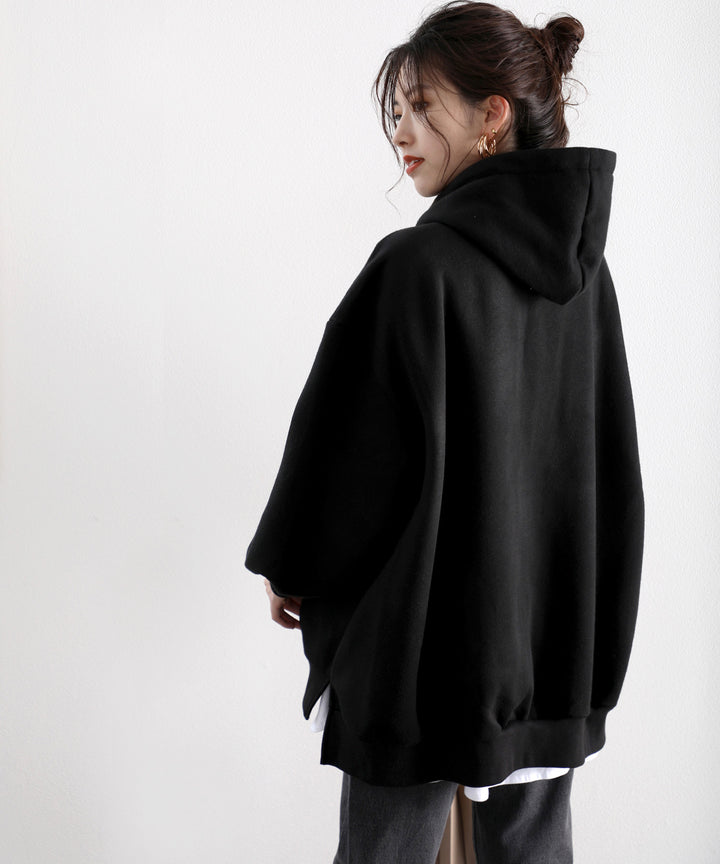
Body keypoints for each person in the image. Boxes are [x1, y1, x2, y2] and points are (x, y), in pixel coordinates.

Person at [246, 2, 644, 862]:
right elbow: (607, 467)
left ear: (493, 114)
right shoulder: (588, 278)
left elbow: (354, 458)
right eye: (396, 110)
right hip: (548, 651)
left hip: (423, 658)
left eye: (422, 106)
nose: (401, 130)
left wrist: (295, 564)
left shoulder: (417, 265)